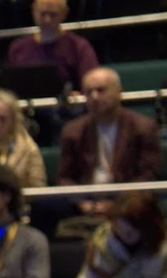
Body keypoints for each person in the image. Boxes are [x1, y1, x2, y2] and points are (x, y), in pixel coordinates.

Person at [58, 67, 161, 228]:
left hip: (128, 202)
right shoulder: (72, 131)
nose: (94, 97)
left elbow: (148, 176)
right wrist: (83, 203)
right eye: (89, 92)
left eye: (101, 90)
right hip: (87, 202)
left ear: (119, 91)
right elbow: (65, 178)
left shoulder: (143, 127)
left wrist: (117, 203)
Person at [7, 0, 99, 89]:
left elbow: (91, 85)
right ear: (33, 10)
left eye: (53, 14)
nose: (47, 20)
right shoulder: (18, 48)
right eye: (43, 14)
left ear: (65, 13)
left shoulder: (79, 46)